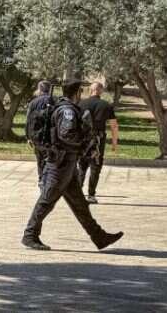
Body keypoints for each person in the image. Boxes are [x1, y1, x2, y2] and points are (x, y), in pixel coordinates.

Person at [22, 79, 123, 251]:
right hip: (61, 163)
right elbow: (66, 135)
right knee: (47, 200)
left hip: (66, 163)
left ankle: (99, 237)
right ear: (77, 92)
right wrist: (85, 144)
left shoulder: (65, 107)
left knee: (79, 204)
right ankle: (30, 235)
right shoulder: (67, 110)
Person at [78, 82, 119, 203]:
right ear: (101, 91)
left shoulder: (81, 104)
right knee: (96, 166)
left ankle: (78, 195)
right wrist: (114, 142)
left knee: (82, 166)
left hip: (84, 140)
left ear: (91, 90)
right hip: (98, 140)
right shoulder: (106, 105)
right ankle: (91, 195)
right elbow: (114, 126)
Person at [25, 80, 55, 183]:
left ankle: (41, 178)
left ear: (39, 89)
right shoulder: (55, 101)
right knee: (51, 159)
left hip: (37, 136)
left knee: (40, 159)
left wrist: (28, 137)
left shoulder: (34, 102)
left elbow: (28, 120)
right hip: (51, 137)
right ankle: (48, 179)